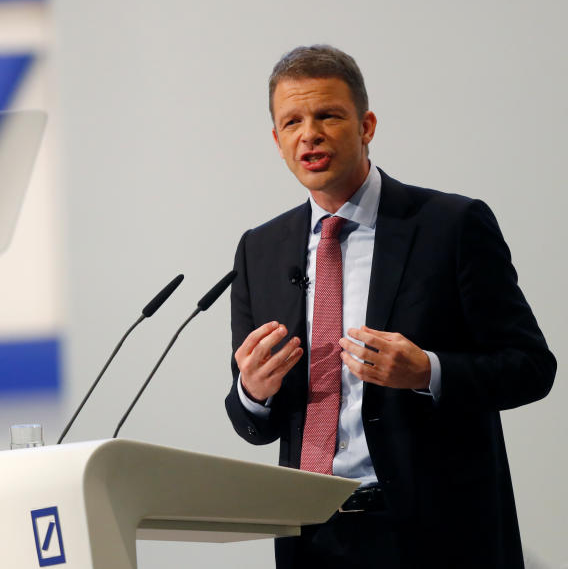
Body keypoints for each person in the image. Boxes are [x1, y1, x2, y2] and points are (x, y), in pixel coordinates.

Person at [224, 45, 556, 569]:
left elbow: (532, 368)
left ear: (366, 125)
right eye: (292, 122)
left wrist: (429, 370)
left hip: (435, 536)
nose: (309, 133)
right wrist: (253, 393)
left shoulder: (450, 226)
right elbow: (254, 423)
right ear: (278, 141)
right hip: (310, 536)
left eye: (328, 115)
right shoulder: (258, 250)